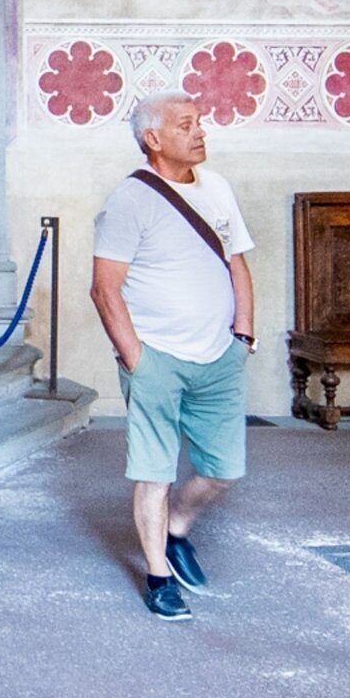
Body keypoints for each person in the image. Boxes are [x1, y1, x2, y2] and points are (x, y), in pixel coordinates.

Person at [90, 93, 255, 620]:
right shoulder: (130, 200)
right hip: (156, 359)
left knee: (224, 470)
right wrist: (136, 359)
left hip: (220, 356)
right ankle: (159, 577)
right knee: (154, 473)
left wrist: (243, 336)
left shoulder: (218, 188)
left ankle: (176, 527)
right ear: (153, 139)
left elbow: (236, 264)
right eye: (186, 125)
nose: (200, 131)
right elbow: (105, 289)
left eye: (200, 122)